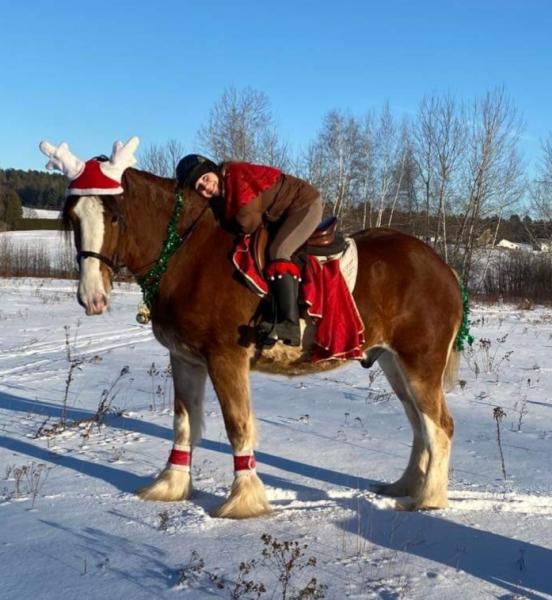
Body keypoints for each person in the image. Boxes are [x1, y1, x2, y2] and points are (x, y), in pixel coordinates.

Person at [176, 154, 323, 346]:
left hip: (303, 205)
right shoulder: (224, 191)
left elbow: (247, 223)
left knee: (279, 251)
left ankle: (290, 323)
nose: (206, 187)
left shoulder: (237, 177)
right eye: (200, 188)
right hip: (279, 216)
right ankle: (271, 317)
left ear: (213, 170)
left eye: (205, 178)